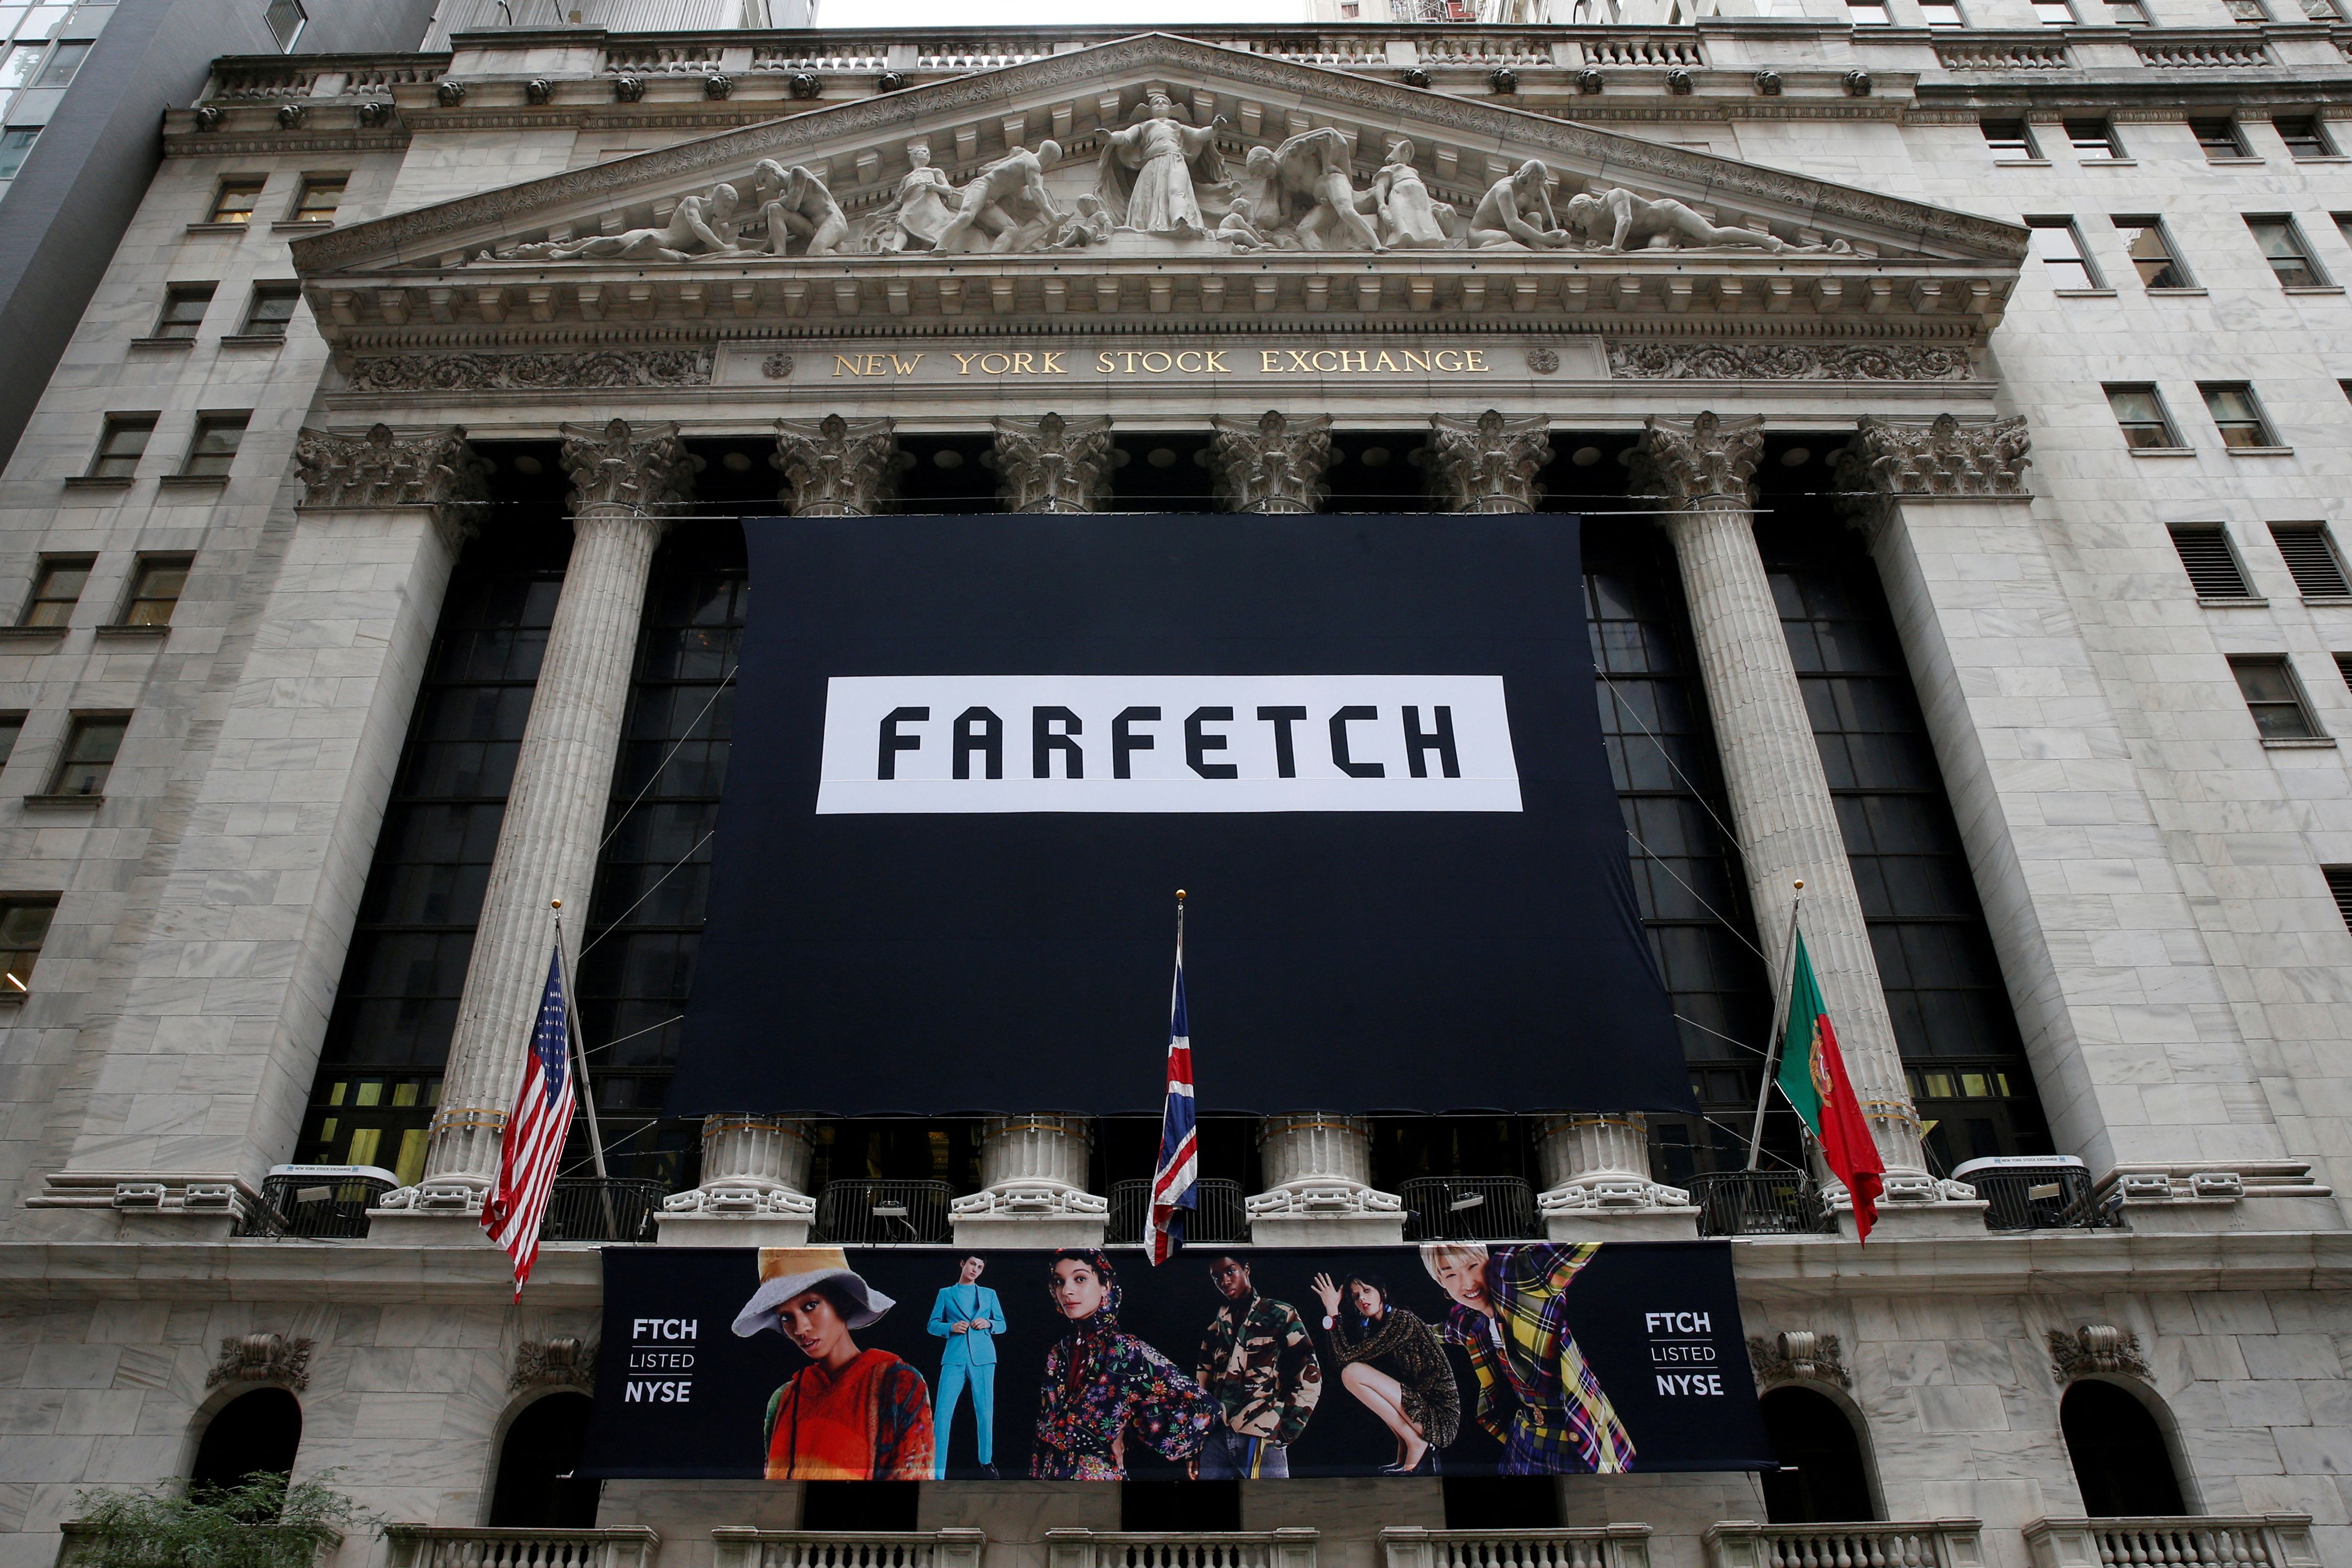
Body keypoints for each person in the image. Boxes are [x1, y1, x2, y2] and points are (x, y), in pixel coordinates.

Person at [1424, 1242, 1634, 1476]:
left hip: (1578, 1431)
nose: (1468, 1283)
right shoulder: (1470, 1323)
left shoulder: (1519, 1281)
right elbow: (1429, 1333)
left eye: (1473, 1266)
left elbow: (1578, 1245)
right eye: (1451, 1274)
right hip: (1524, 1437)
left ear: (1488, 1262)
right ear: (1441, 1283)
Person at [732, 1247, 933, 1481]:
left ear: (842, 1302)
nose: (800, 1329)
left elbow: (913, 1484)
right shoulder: (785, 1399)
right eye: (786, 1317)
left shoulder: (898, 1384)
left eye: (810, 1306)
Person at [1033, 1248, 1216, 1480]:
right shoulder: (1059, 1352)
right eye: (1060, 1282)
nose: (1067, 1291)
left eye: (1080, 1279)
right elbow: (1044, 1427)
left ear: (1105, 1286)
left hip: (1097, 1480)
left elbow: (1202, 1406)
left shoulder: (1125, 1350)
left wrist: (1126, 1429)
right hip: (1051, 1478)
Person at [1309, 1270, 1459, 1476]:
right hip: (1421, 1410)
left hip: (1439, 1420)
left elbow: (1345, 1360)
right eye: (1355, 1296)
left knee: (1353, 1372)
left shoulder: (1401, 1321)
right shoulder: (1373, 1328)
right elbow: (1338, 1360)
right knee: (1352, 1374)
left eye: (1367, 1290)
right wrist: (1332, 1315)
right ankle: (1406, 1443)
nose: (1361, 1298)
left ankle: (1416, 1443)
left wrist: (1333, 1311)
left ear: (1382, 1293)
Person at [1192, 1255, 1322, 1479]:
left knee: (1270, 1510)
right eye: (1217, 1277)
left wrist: (1287, 1430)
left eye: (1231, 1271)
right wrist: (1197, 1443)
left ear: (1246, 1270)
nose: (1225, 1281)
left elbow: (1309, 1372)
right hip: (1217, 1438)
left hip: (1262, 1433)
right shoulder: (1215, 1329)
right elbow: (1201, 1387)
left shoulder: (1280, 1314)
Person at [496, 183, 745, 262]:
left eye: (732, 210)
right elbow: (698, 229)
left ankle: (605, 260)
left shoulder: (718, 226)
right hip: (660, 237)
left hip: (668, 252)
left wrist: (722, 240)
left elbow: (711, 249)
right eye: (727, 206)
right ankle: (567, 255)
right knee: (617, 240)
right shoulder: (694, 203)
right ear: (716, 199)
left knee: (646, 249)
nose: (729, 213)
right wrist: (725, 248)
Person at [1095, 87, 1226, 238]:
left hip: (1175, 159)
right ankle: (1152, 225)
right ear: (1150, 111)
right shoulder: (1145, 126)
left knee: (1177, 190)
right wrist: (1110, 138)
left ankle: (1179, 220)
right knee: (1148, 197)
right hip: (1152, 163)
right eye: (1156, 102)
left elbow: (1198, 136)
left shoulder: (1176, 126)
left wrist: (1214, 129)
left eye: (1164, 102)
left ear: (1171, 111)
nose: (1160, 104)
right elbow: (1126, 137)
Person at [928, 1253, 1006, 1478]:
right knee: (942, 1413)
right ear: (963, 1264)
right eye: (972, 1264)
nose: (975, 1269)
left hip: (983, 1357)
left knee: (984, 1411)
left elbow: (1003, 1325)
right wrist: (950, 1327)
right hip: (954, 1357)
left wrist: (989, 1322)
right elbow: (932, 1325)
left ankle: (986, 1461)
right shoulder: (946, 1293)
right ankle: (938, 1470)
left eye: (980, 1267)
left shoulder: (989, 1294)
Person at [1563, 186, 1814, 254]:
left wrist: (1614, 249)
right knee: (1656, 254)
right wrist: (1592, 246)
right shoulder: (1595, 226)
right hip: (1658, 235)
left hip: (1669, 214)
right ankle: (1732, 251)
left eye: (1580, 217)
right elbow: (1611, 248)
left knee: (1712, 236)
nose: (1581, 225)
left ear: (1589, 206)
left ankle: (1765, 240)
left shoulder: (1614, 196)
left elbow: (1626, 221)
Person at [934, 140, 1066, 255]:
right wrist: (1052, 216)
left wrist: (1009, 157)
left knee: (1012, 230)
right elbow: (1036, 191)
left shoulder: (1023, 157)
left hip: (990, 202)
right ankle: (939, 247)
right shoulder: (1033, 165)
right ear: (1051, 158)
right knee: (967, 215)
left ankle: (992, 260)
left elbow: (984, 170)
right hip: (981, 187)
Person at [1369, 138, 1457, 250]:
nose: (1406, 153)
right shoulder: (1391, 168)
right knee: (1404, 223)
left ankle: (1427, 244)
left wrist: (1440, 205)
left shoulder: (1414, 172)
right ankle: (1405, 243)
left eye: (1409, 151)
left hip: (1420, 200)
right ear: (1397, 153)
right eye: (1404, 150)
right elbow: (1381, 186)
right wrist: (1382, 206)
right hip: (1401, 195)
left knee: (1424, 224)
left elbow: (1425, 196)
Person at [874, 140, 959, 253]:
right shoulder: (907, 178)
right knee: (902, 226)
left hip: (930, 203)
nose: (927, 154)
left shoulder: (935, 172)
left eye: (928, 153)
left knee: (933, 227)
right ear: (915, 155)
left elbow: (948, 190)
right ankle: (896, 249)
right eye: (923, 151)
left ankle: (932, 250)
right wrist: (879, 213)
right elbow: (896, 203)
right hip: (911, 203)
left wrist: (935, 187)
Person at [1467, 160, 1570, 250]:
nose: (1539, 189)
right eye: (1538, 185)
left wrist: (1556, 237)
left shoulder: (1526, 194)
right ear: (1528, 180)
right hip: (1480, 233)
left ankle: (1540, 254)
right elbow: (1513, 223)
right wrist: (1544, 239)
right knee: (1503, 238)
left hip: (1507, 232)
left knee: (1534, 217)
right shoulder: (1505, 191)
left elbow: (1537, 222)